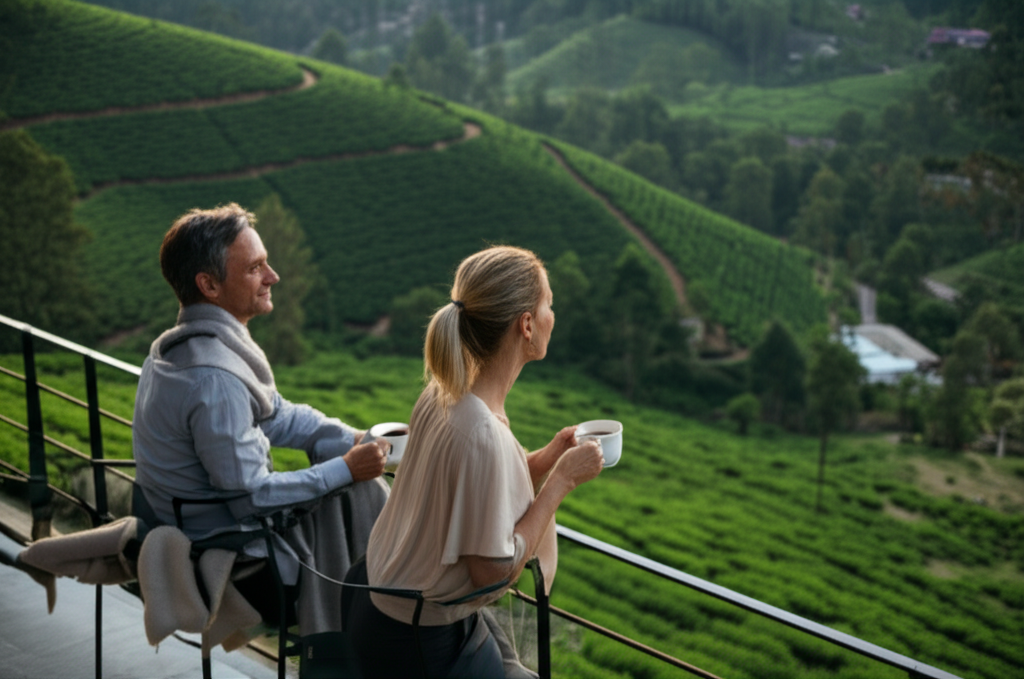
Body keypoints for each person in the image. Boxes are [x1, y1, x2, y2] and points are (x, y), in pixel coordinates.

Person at [346, 245, 604, 678]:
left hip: (376, 606)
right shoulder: (482, 430)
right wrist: (560, 483)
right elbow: (491, 572)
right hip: (417, 644)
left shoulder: (445, 391)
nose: (552, 316)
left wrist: (544, 459)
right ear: (526, 325)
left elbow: (476, 485)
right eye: (549, 305)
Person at [132, 202, 389, 634]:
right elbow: (251, 497)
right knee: (358, 492)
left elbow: (277, 415)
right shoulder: (214, 379)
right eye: (256, 268)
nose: (273, 277)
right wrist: (346, 468)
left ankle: (383, 615)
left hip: (189, 524)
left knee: (355, 486)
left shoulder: (181, 347)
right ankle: (384, 619)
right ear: (209, 285)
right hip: (240, 560)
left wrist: (352, 438)